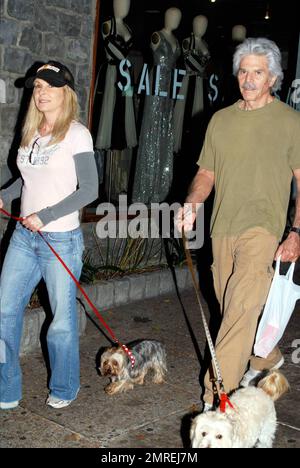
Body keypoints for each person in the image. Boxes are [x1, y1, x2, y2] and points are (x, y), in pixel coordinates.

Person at [177, 38, 300, 410]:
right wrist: (192, 203)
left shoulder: (290, 122)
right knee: (234, 309)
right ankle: (266, 358)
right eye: (243, 71)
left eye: (257, 72)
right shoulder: (221, 120)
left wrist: (296, 233)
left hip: (263, 229)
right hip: (222, 228)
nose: (248, 79)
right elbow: (206, 173)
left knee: (239, 312)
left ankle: (216, 403)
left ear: (273, 78)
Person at [0, 61, 98, 410]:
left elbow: (89, 189)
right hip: (24, 238)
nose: (40, 93)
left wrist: (47, 215)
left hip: (60, 239)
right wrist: (5, 194)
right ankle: (7, 387)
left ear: (65, 92)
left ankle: (65, 385)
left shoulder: (77, 134)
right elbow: (26, 178)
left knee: (60, 321)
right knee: (3, 311)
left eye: (49, 86)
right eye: (37, 87)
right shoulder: (31, 130)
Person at [132, 7, 182, 204]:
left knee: (165, 132)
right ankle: (145, 187)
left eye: (178, 18)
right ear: (166, 17)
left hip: (169, 88)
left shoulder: (177, 41)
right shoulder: (156, 36)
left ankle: (160, 188)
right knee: (151, 130)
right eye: (173, 17)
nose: (176, 20)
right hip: (156, 85)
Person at [95, 0, 137, 151]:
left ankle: (122, 138)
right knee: (108, 104)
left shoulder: (128, 28)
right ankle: (105, 140)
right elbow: (115, 51)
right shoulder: (107, 26)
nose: (126, 7)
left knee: (126, 104)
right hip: (112, 72)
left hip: (125, 74)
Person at [174, 15, 210, 153]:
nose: (202, 27)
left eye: (204, 25)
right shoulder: (187, 42)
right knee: (187, 111)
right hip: (190, 81)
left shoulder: (205, 44)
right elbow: (191, 62)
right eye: (199, 24)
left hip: (201, 83)